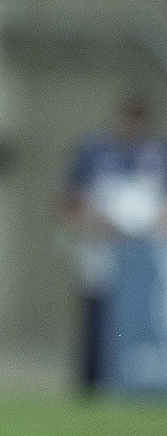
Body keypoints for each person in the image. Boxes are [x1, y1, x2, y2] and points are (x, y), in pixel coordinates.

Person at [62, 93, 167, 392]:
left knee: (147, 314)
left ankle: (144, 381)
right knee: (97, 314)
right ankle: (91, 384)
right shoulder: (94, 151)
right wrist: (90, 221)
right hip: (102, 248)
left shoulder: (158, 153)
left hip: (150, 252)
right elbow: (70, 198)